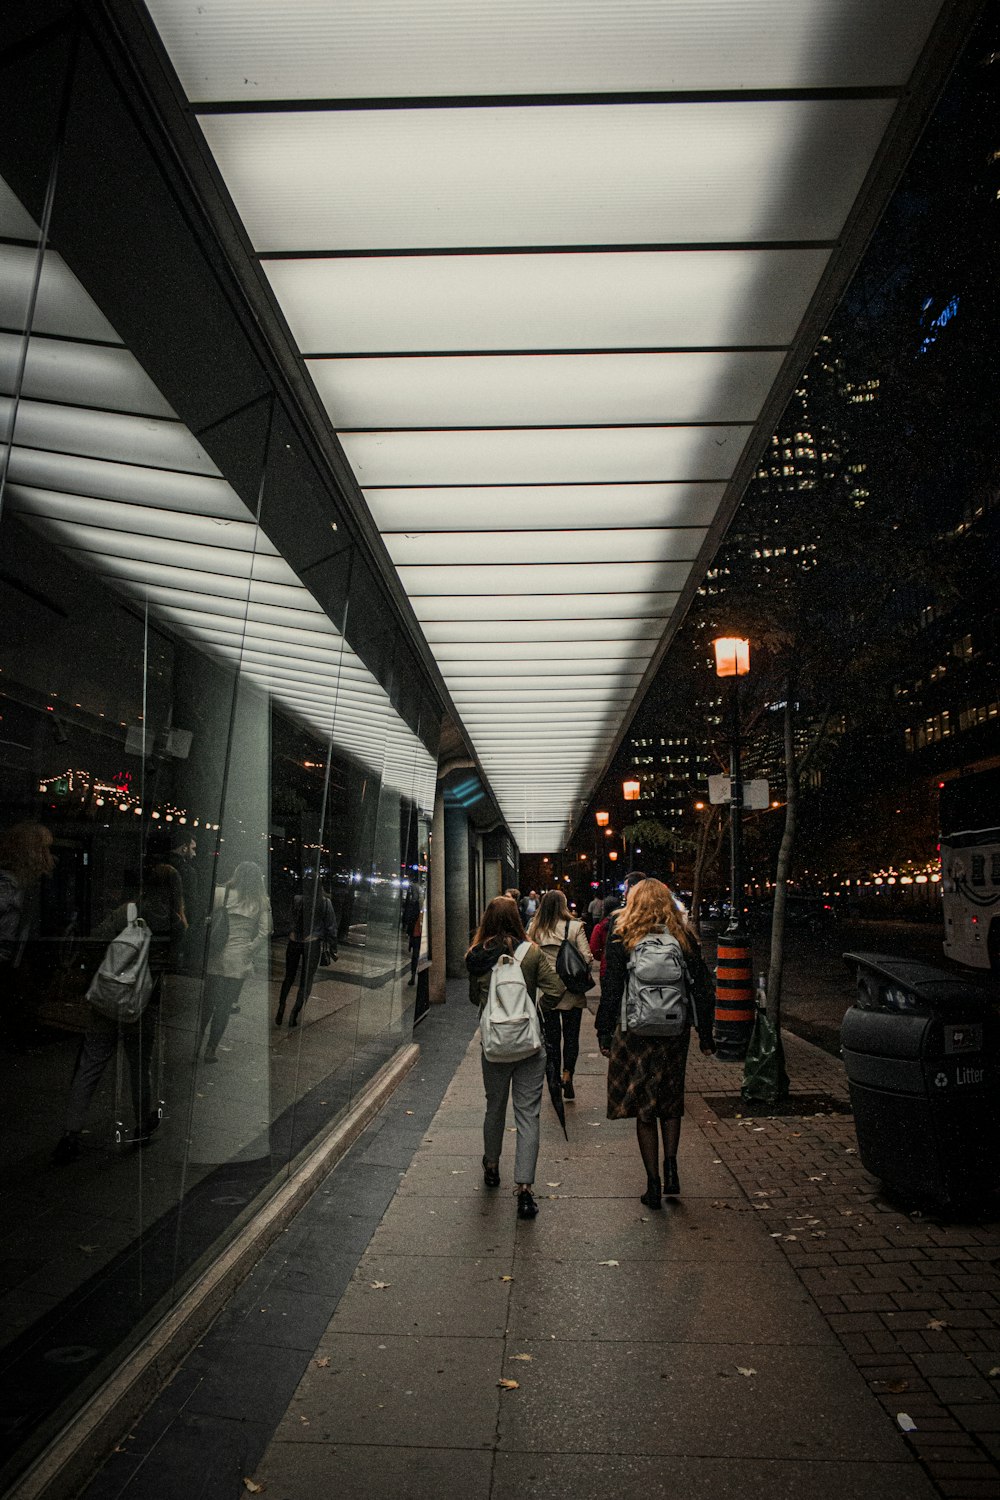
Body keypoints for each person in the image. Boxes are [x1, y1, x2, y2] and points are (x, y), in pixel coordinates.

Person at [51, 846, 185, 1164]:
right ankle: (141, 1124)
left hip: (108, 998)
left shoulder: (127, 911)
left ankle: (70, 1133)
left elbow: (96, 941)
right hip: (143, 1005)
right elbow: (173, 964)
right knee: (140, 1066)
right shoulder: (177, 925)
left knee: (91, 1063)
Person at [595, 878, 715, 1208]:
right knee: (670, 1099)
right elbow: (702, 987)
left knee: (644, 1105)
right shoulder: (683, 935)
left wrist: (604, 1032)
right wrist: (706, 1034)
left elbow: (612, 988)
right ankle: (672, 1166)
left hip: (636, 1031)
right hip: (675, 1031)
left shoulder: (623, 934)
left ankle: (653, 1183)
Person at [466, 896, 564, 1219]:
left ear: (487, 920)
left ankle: (492, 1166)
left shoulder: (478, 957)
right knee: (528, 1115)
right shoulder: (532, 953)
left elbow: (472, 999)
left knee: (494, 1107)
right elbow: (555, 989)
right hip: (528, 1046)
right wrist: (534, 1011)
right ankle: (524, 1191)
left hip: (494, 1046)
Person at [199, 861, 270, 1062]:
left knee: (207, 1004)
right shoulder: (261, 901)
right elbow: (265, 932)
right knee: (224, 1006)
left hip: (217, 954)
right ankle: (210, 1050)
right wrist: (250, 949)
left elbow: (208, 919)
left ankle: (197, 1043)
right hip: (239, 957)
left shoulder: (221, 893)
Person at [527, 889, 593, 1100]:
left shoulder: (535, 928)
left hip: (547, 990)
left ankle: (554, 1078)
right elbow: (587, 957)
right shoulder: (575, 927)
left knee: (552, 1038)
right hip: (571, 989)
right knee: (571, 1036)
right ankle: (568, 1075)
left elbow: (528, 955)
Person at [275, 882, 338, 1028]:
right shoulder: (325, 903)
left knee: (289, 977)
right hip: (312, 943)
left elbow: (289, 919)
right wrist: (332, 946)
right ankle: (295, 1012)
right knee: (306, 979)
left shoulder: (298, 899)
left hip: (294, 941)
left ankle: (281, 1006)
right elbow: (331, 927)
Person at [407, 907, 422, 987]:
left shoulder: (416, 912)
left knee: (416, 958)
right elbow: (411, 927)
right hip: (417, 937)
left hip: (418, 937)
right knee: (416, 958)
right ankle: (413, 976)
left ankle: (413, 977)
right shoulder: (416, 912)